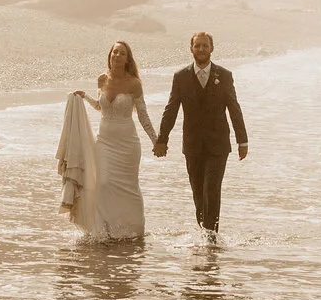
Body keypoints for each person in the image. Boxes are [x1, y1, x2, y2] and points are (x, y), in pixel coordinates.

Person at [154, 30, 248, 234]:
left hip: (218, 145)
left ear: (211, 48)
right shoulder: (180, 77)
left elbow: (234, 108)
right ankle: (205, 233)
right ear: (191, 49)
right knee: (198, 194)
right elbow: (171, 109)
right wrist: (162, 139)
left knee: (211, 190)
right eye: (197, 45)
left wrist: (242, 141)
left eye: (205, 45)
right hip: (192, 145)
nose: (201, 49)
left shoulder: (224, 76)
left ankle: (211, 237)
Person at [69, 40, 156, 241]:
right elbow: (101, 107)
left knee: (129, 189)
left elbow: (142, 115)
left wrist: (156, 140)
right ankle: (103, 231)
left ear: (127, 60)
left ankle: (132, 231)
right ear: (110, 55)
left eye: (122, 53)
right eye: (114, 52)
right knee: (103, 183)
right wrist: (85, 97)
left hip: (127, 145)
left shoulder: (134, 83)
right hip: (104, 142)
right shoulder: (102, 79)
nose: (117, 56)